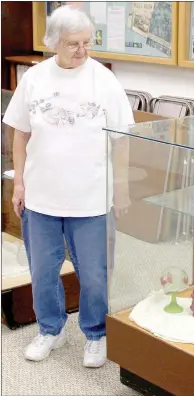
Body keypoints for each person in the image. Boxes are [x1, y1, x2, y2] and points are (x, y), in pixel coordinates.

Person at [3, 5, 134, 368]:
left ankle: (96, 333)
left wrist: (120, 189)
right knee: (42, 272)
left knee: (94, 273)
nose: (82, 50)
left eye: (87, 43)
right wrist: (19, 184)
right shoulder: (35, 77)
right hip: (42, 196)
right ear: (53, 43)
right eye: (72, 44)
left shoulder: (103, 81)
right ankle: (51, 330)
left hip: (91, 197)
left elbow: (122, 139)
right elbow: (19, 133)